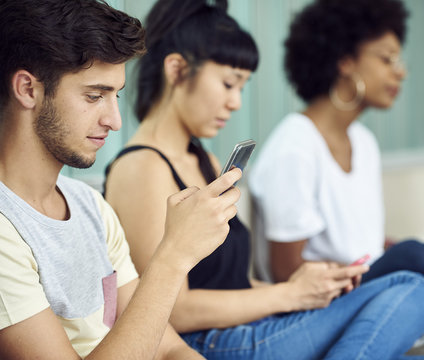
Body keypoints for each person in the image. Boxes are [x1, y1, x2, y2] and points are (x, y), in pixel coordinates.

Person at [103, 0, 424, 359]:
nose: (236, 103)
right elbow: (171, 310)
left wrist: (305, 288)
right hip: (206, 343)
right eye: (228, 83)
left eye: (243, 87)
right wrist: (289, 295)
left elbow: (231, 283)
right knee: (412, 287)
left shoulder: (205, 161)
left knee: (405, 291)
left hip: (249, 329)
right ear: (176, 70)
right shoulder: (142, 168)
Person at [248, 0, 424, 346]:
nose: (400, 72)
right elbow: (287, 274)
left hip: (379, 278)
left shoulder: (363, 141)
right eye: (386, 59)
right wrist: (420, 265)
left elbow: (363, 239)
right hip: (328, 303)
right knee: (415, 258)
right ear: (345, 62)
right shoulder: (294, 147)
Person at [0, 0, 243, 359]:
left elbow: (169, 349)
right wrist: (173, 255)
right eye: (94, 96)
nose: (114, 120)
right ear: (28, 89)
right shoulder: (5, 230)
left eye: (116, 95)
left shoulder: (90, 207)